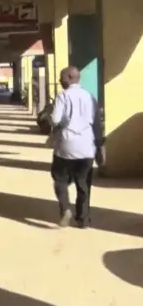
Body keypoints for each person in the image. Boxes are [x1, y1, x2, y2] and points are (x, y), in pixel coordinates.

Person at [49, 66, 98, 229]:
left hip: (66, 145)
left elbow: (56, 120)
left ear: (70, 78)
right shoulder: (90, 97)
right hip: (86, 146)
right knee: (83, 184)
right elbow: (96, 121)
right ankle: (83, 219)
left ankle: (65, 210)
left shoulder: (63, 96)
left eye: (61, 77)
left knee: (59, 179)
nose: (59, 80)